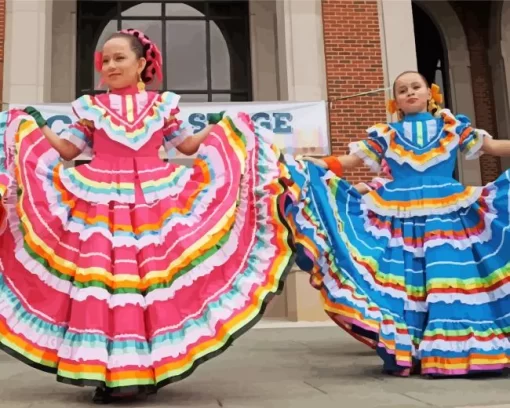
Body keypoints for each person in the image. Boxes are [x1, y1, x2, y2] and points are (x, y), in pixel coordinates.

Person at [0, 29, 295, 403]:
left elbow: (185, 146)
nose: (110, 66)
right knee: (103, 285)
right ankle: (105, 373)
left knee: (150, 286)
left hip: (155, 200)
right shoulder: (90, 107)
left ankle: (147, 366)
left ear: (141, 64)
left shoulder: (162, 105)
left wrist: (221, 126)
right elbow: (68, 151)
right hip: (99, 199)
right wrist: (35, 124)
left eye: (119, 58)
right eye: (105, 60)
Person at [285, 70, 510, 377]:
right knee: (407, 283)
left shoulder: (451, 126)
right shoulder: (386, 134)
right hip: (398, 214)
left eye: (415, 87)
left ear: (430, 92)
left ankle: (459, 351)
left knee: (448, 279)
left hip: (446, 211)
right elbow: (350, 162)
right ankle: (411, 350)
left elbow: (493, 147)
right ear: (396, 101)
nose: (410, 93)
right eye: (402, 90)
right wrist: (314, 164)